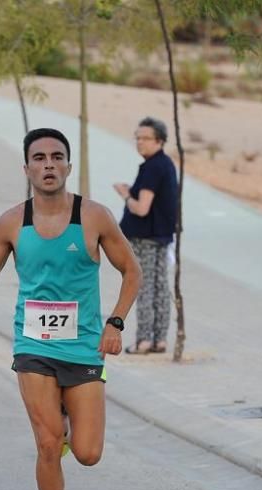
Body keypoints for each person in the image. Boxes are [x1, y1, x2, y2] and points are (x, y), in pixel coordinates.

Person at [0, 128, 141, 490]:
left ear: (68, 166)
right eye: (39, 158)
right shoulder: (11, 223)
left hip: (82, 348)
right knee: (44, 444)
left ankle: (64, 427)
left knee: (88, 453)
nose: (48, 164)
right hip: (33, 345)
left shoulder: (93, 217)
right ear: (26, 169)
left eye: (57, 157)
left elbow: (131, 270)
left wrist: (115, 322)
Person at [113, 116, 179, 354]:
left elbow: (141, 208)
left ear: (159, 141)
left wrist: (125, 194)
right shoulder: (166, 165)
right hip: (162, 236)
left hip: (145, 238)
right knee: (160, 287)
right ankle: (159, 339)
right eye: (137, 138)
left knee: (143, 286)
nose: (139, 143)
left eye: (145, 138)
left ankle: (143, 341)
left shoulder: (152, 168)